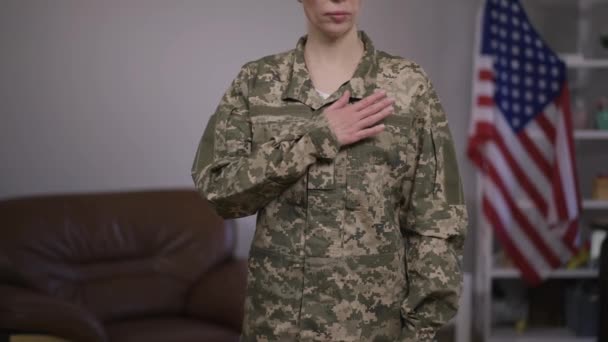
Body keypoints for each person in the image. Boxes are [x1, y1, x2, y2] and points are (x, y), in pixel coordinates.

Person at [191, 0, 468, 341]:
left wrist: (421, 330)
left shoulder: (407, 86)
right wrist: (314, 139)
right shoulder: (257, 82)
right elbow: (219, 190)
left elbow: (436, 219)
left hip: (374, 329)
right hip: (276, 328)